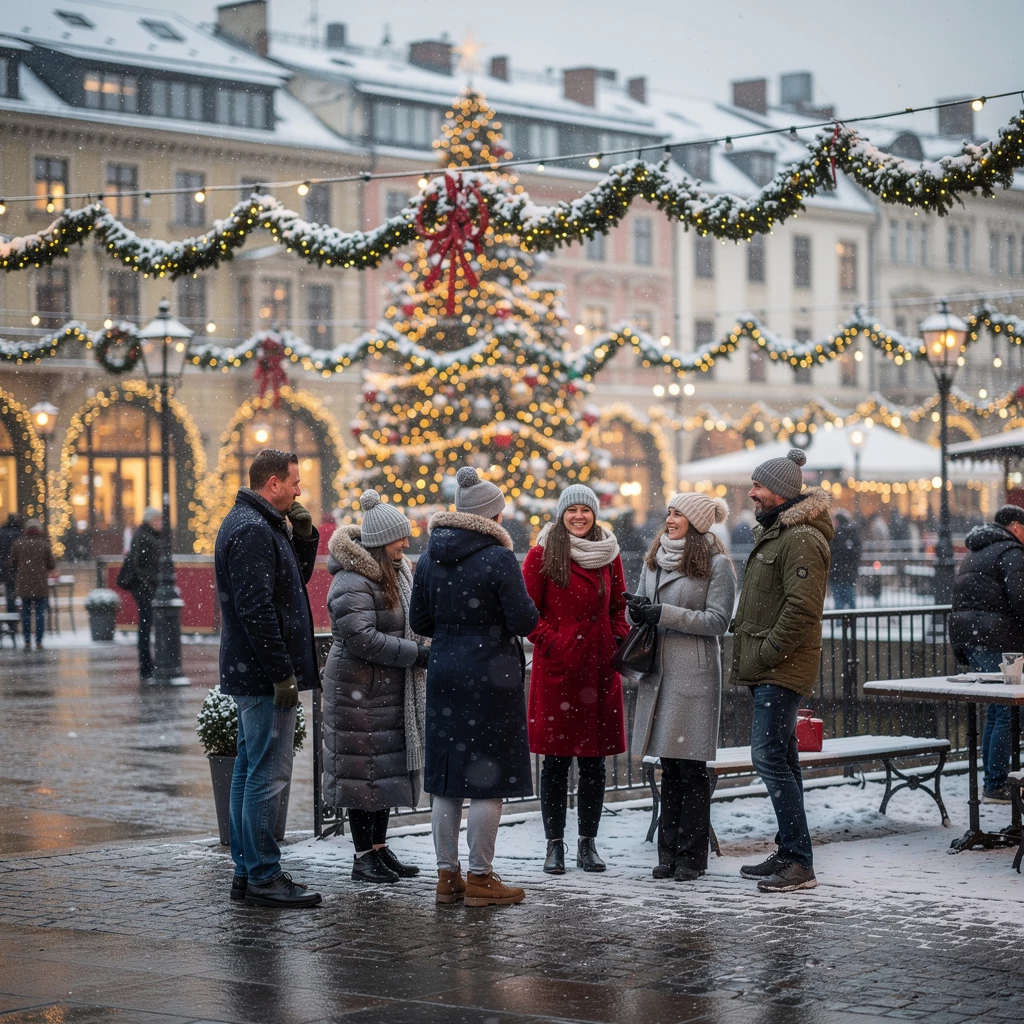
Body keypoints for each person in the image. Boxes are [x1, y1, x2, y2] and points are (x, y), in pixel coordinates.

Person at [410, 466, 539, 907]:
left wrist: (453, 630)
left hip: (445, 669)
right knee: (488, 777)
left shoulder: (429, 556)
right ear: (492, 516)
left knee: (447, 779)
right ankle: (481, 879)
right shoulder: (498, 558)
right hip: (490, 675)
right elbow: (524, 620)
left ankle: (447, 877)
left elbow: (419, 620)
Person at [215, 449, 322, 909]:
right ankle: (263, 874)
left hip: (251, 670)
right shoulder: (252, 529)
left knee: (248, 768)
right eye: (294, 481)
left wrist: (304, 536)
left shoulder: (258, 523)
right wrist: (282, 674)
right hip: (262, 674)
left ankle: (247, 871)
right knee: (267, 775)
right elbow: (256, 608)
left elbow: (292, 580)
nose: (299, 490)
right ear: (273, 483)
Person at [727, 449, 832, 893]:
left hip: (780, 667)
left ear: (781, 492)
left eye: (758, 486)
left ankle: (799, 861)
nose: (752, 493)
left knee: (768, 757)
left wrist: (768, 653)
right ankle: (792, 852)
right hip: (771, 665)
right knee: (783, 759)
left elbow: (802, 609)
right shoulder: (780, 533)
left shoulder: (801, 538)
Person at [626, 494, 735, 882]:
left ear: (696, 522)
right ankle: (667, 853)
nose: (669, 519)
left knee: (691, 768)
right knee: (669, 766)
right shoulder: (654, 558)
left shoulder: (718, 565)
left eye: (678, 514)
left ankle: (691, 856)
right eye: (669, 513)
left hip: (693, 674)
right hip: (659, 672)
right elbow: (641, 609)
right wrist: (637, 611)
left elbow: (718, 621)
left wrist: (664, 613)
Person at [323, 490, 430, 883]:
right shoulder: (352, 579)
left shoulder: (395, 572)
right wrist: (416, 654)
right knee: (362, 774)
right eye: (399, 537)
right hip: (359, 691)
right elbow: (362, 639)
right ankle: (362, 857)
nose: (405, 543)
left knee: (383, 772)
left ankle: (380, 849)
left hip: (384, 689)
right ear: (382, 541)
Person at [523, 484, 629, 875]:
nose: (579, 516)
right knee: (555, 764)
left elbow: (618, 606)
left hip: (599, 671)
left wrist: (616, 638)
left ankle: (588, 843)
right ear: (561, 515)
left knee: (593, 765)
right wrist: (555, 643)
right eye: (572, 510)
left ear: (595, 515)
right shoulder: (542, 554)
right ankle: (554, 845)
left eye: (586, 510)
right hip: (560, 673)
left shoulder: (608, 554)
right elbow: (526, 612)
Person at [950, 504, 1024, 804]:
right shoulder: (1012, 552)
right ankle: (996, 784)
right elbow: (1020, 599)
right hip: (999, 639)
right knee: (1006, 710)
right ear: (1016, 527)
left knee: (996, 710)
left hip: (974, 638)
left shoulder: (976, 552)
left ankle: (993, 781)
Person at [119, 507, 162, 683]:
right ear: (150, 521)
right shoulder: (144, 536)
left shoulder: (148, 535)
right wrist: (149, 582)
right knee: (145, 627)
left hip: (147, 587)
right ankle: (146, 667)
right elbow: (137, 564)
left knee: (147, 626)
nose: (160, 523)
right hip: (145, 589)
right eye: (157, 520)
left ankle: (149, 665)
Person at [8, 518, 54, 650]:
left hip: (24, 584)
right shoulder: (44, 544)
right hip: (40, 584)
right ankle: (39, 641)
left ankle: (27, 640)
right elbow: (51, 564)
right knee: (40, 613)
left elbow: (12, 563)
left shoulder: (19, 544)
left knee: (26, 613)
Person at [829, 508, 861, 610]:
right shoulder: (852, 533)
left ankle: (840, 619)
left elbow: (831, 552)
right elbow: (857, 553)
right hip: (848, 574)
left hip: (837, 573)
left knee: (838, 603)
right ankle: (852, 618)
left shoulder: (835, 534)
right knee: (851, 601)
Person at [0, 514, 23, 614]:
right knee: (13, 592)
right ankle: (13, 614)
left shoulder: (2, 533)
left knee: (10, 592)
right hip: (14, 567)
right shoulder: (19, 534)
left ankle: (10, 614)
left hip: (4, 567)